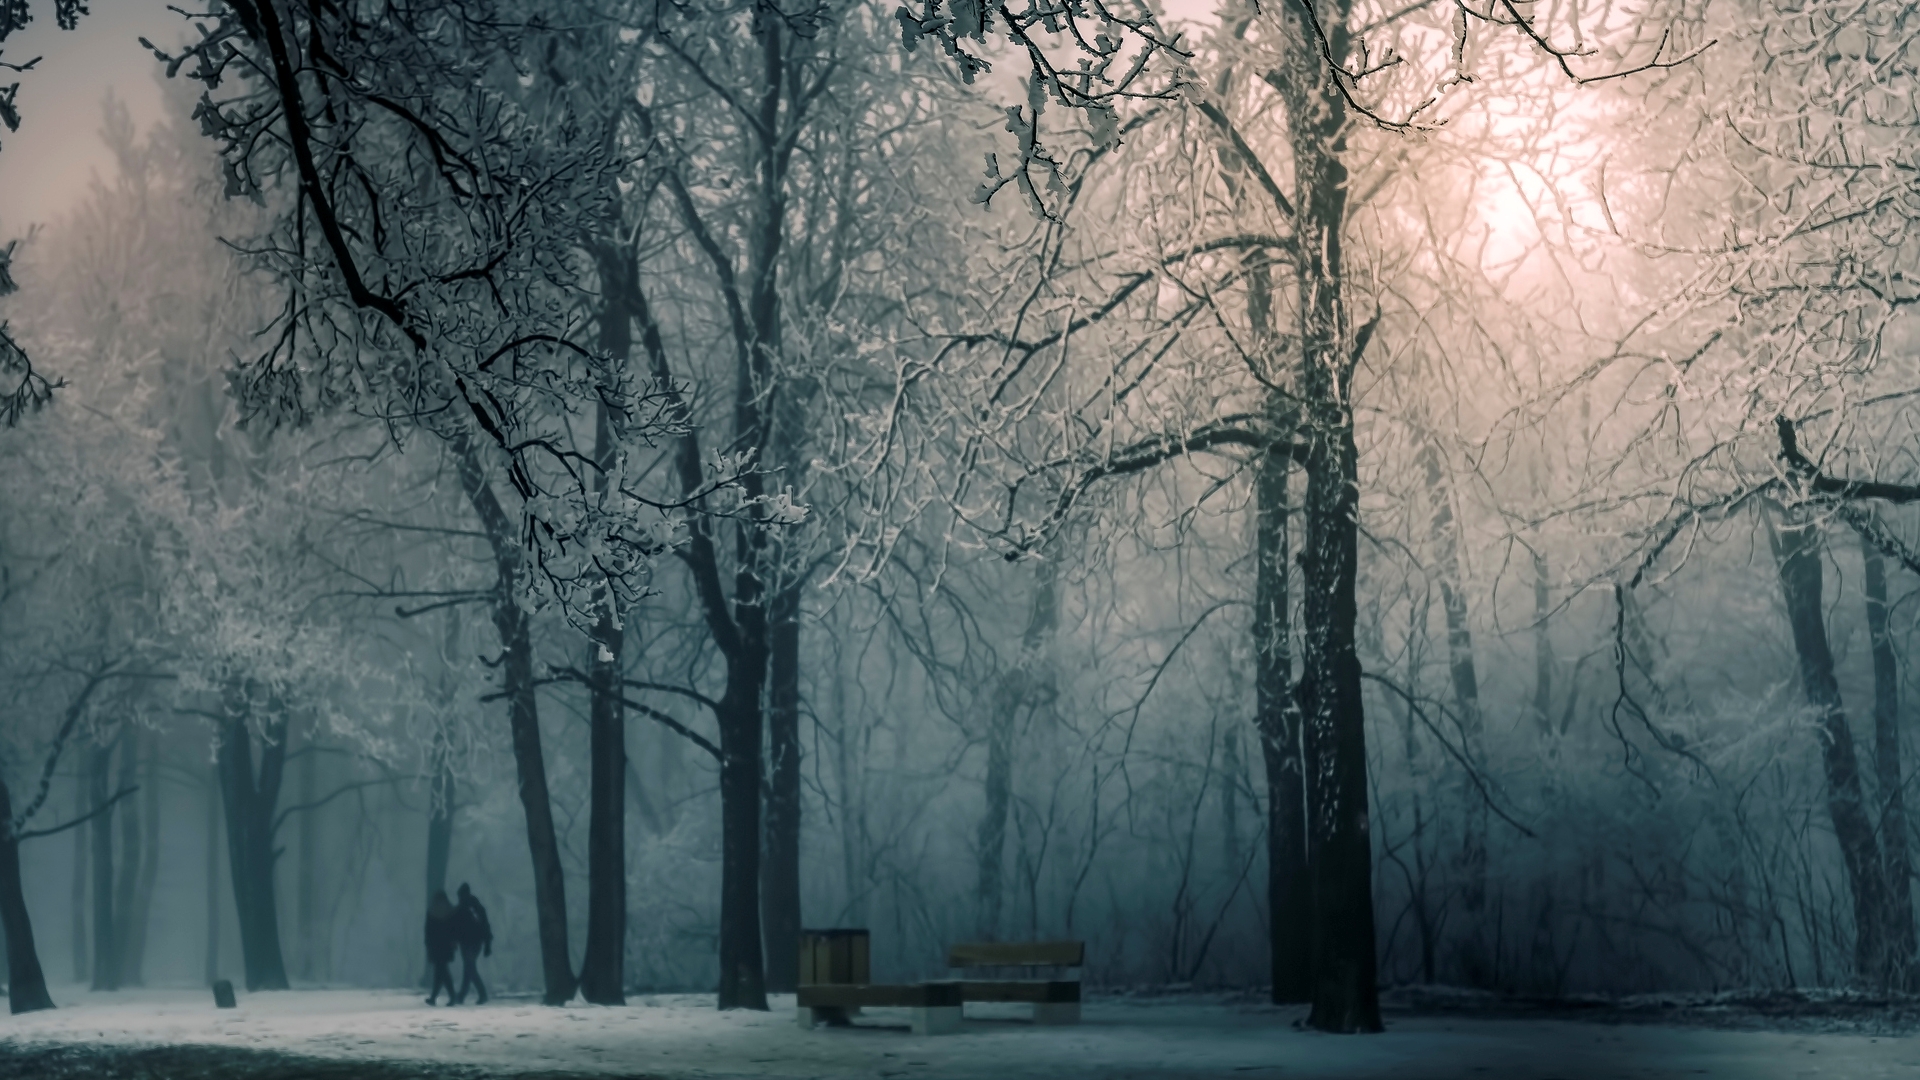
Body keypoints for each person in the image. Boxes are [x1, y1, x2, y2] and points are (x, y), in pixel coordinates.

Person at [452, 882, 492, 1005]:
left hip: (468, 943)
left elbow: (456, 929)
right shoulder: (478, 908)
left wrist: (454, 942)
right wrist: (487, 944)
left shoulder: (462, 909)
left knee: (470, 968)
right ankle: (463, 995)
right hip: (475, 943)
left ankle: (477, 994)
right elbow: (486, 927)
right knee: (469, 968)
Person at [424, 889, 458, 1006]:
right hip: (447, 945)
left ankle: (440, 997)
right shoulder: (451, 911)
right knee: (441, 971)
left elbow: (428, 931)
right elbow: (454, 930)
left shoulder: (431, 911)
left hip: (436, 945)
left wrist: (428, 945)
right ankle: (438, 997)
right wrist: (454, 942)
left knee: (441, 971)